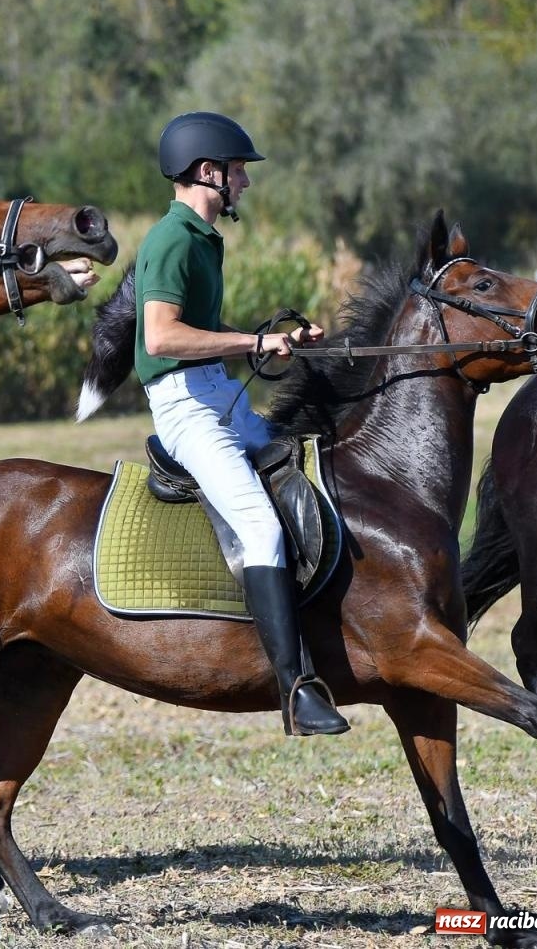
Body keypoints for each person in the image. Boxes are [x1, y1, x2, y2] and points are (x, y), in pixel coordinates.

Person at [134, 111, 347, 736]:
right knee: (260, 527)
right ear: (209, 172)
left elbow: (202, 331)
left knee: (306, 465)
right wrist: (253, 342)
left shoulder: (199, 237)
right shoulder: (172, 240)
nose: (245, 183)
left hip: (218, 393)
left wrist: (277, 340)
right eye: (239, 171)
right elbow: (161, 336)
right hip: (186, 407)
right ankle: (297, 689)